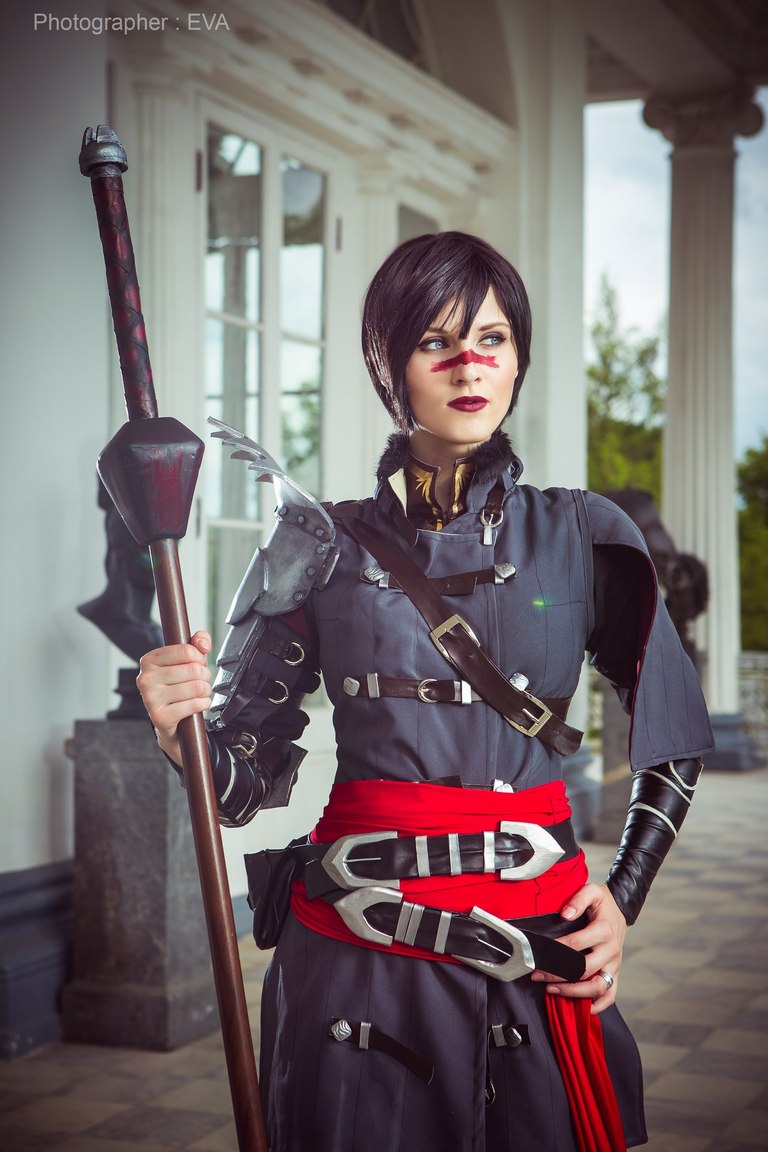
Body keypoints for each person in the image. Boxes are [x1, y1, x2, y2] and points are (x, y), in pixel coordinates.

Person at [138, 232, 713, 1152]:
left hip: (535, 942)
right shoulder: (314, 543)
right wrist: (181, 731)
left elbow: (674, 735)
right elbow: (241, 786)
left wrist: (623, 896)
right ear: (389, 364)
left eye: (491, 339)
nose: (468, 365)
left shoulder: (584, 534)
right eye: (436, 342)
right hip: (356, 954)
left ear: (518, 357)